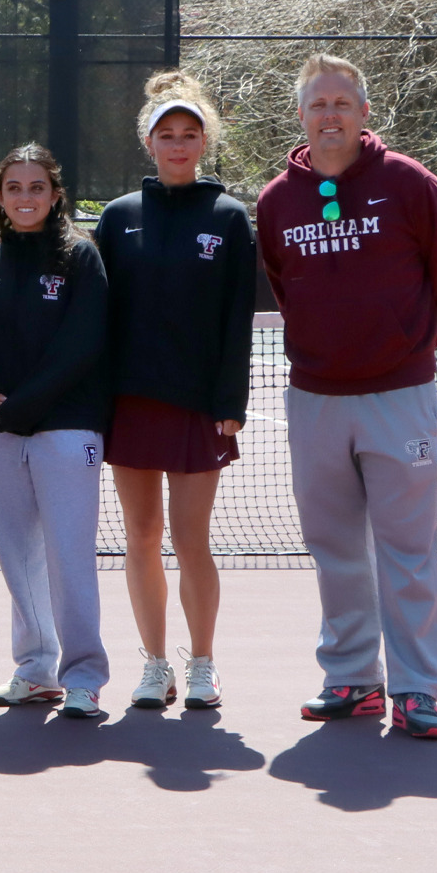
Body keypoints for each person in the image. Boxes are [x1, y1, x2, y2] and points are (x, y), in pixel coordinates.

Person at [256, 54, 437, 739]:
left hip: (398, 395)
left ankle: (415, 690)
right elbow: (287, 287)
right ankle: (353, 677)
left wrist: (410, 345)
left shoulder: (410, 184)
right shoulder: (275, 202)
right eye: (318, 104)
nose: (330, 115)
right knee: (334, 544)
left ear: (364, 112)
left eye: (342, 103)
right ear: (300, 115)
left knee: (408, 548)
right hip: (315, 398)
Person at [96, 72, 256, 713]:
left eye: (190, 134)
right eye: (168, 134)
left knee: (191, 539)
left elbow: (236, 316)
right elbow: (99, 316)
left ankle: (203, 665)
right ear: (149, 141)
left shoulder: (228, 216)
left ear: (204, 141)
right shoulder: (118, 218)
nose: (179, 144)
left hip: (198, 406)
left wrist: (230, 404)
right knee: (140, 534)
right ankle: (155, 665)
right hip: (129, 403)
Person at [0, 144, 112, 718]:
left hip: (66, 429)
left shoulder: (81, 258)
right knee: (17, 555)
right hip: (1, 431)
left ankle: (84, 676)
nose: (24, 198)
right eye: (13, 189)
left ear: (55, 196)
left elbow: (83, 345)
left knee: (68, 555)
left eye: (36, 188)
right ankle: (35, 669)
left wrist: (22, 407)